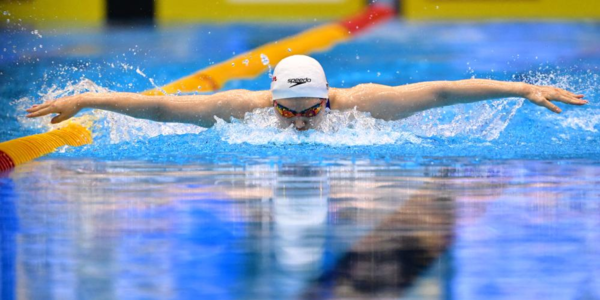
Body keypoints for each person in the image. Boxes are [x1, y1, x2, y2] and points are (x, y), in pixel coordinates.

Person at [26, 55, 588, 132]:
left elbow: (441, 90)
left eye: (310, 110)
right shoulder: (242, 107)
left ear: (328, 98)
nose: (298, 123)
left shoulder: (362, 103)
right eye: (287, 111)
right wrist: (91, 98)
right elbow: (166, 106)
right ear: (270, 100)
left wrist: (523, 87)